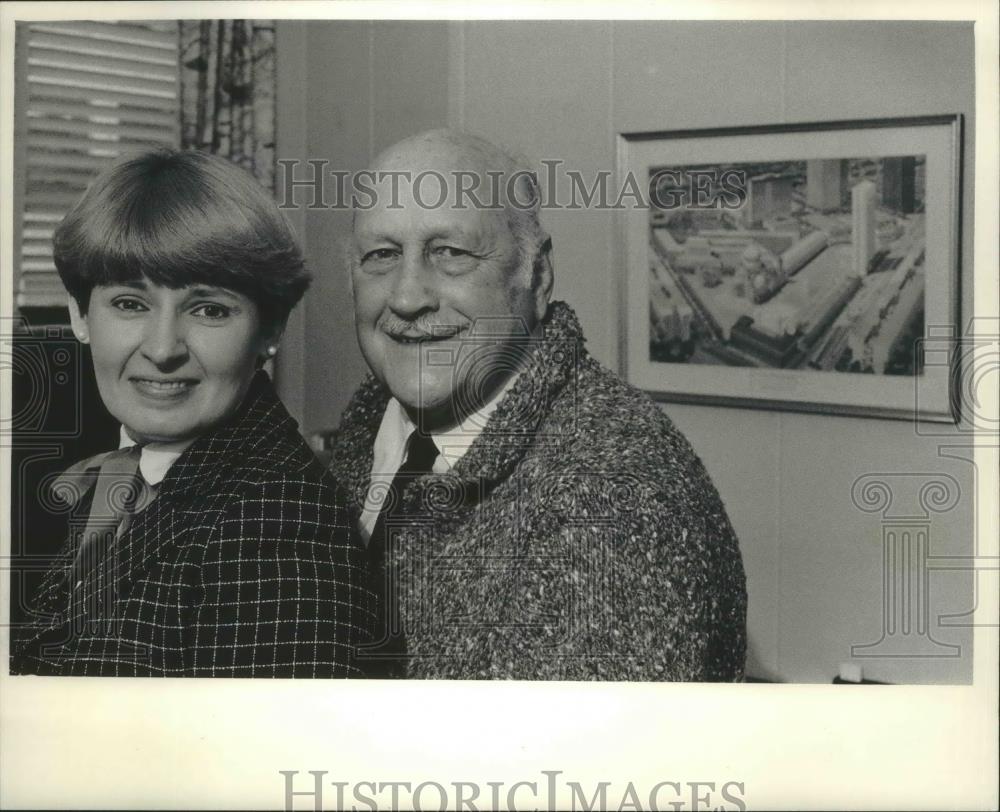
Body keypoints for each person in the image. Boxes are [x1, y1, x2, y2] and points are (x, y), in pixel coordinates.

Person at [327, 129, 747, 680]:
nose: (407, 297)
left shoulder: (613, 502)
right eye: (381, 256)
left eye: (450, 253)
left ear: (538, 276)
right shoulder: (370, 437)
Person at [11, 148, 371, 677]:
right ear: (79, 313)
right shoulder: (129, 473)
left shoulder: (278, 538)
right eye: (130, 304)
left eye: (209, 310)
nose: (162, 349)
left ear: (269, 330)